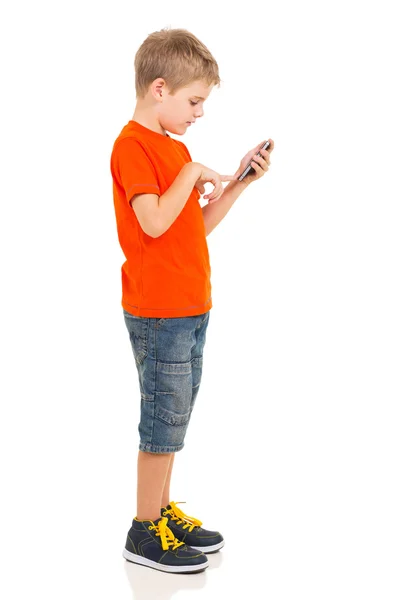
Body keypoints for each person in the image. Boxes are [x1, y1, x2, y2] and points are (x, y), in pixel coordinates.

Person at [110, 27, 274, 574]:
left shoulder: (174, 148)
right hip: (159, 311)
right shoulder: (133, 147)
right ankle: (141, 532)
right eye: (194, 101)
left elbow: (190, 229)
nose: (199, 113)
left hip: (189, 307)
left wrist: (237, 183)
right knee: (161, 419)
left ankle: (159, 513)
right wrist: (190, 172)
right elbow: (153, 223)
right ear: (160, 88)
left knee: (173, 418)